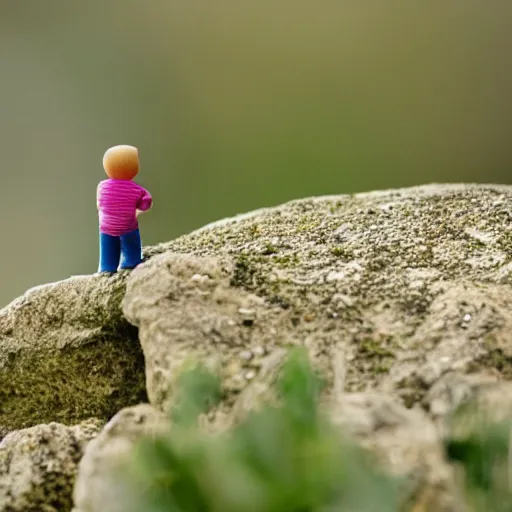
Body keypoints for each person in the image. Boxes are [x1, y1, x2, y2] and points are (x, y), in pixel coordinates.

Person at [97, 144, 152, 273]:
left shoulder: (102, 187)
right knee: (131, 245)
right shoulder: (137, 190)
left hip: (106, 227)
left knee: (108, 248)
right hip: (128, 227)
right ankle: (131, 261)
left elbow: (99, 204)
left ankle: (107, 267)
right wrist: (138, 210)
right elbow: (146, 203)